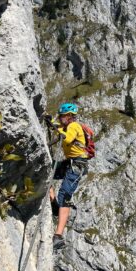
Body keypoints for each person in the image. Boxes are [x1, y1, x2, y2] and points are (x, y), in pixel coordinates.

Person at [49, 103, 88, 250]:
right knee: (48, 169)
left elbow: (66, 138)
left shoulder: (74, 126)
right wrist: (51, 123)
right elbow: (60, 131)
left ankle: (58, 236)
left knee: (65, 195)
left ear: (69, 116)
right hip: (69, 163)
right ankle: (54, 204)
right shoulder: (66, 126)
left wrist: (55, 128)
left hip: (77, 165)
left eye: (61, 116)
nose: (59, 118)